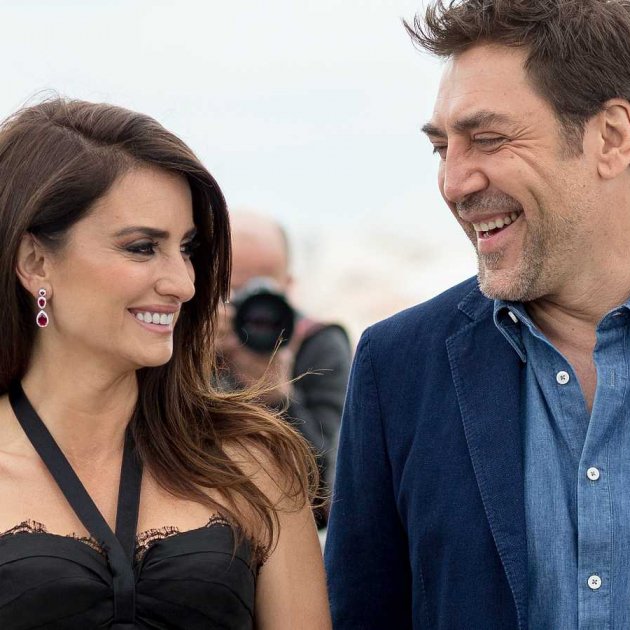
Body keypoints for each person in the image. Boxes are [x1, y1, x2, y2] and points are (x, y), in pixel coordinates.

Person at [325, 0, 630, 628]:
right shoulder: (398, 367)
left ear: (611, 138)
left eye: (488, 139)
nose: (453, 183)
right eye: (442, 148)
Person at [0, 97, 331, 629]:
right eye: (141, 248)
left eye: (187, 249)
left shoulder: (256, 463)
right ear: (35, 261)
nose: (184, 284)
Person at [216, 211, 352, 528]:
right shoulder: (183, 339)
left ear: (288, 286)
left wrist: (279, 399)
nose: (253, 308)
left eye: (264, 288)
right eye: (233, 290)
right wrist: (191, 359)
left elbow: (325, 495)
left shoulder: (316, 342)